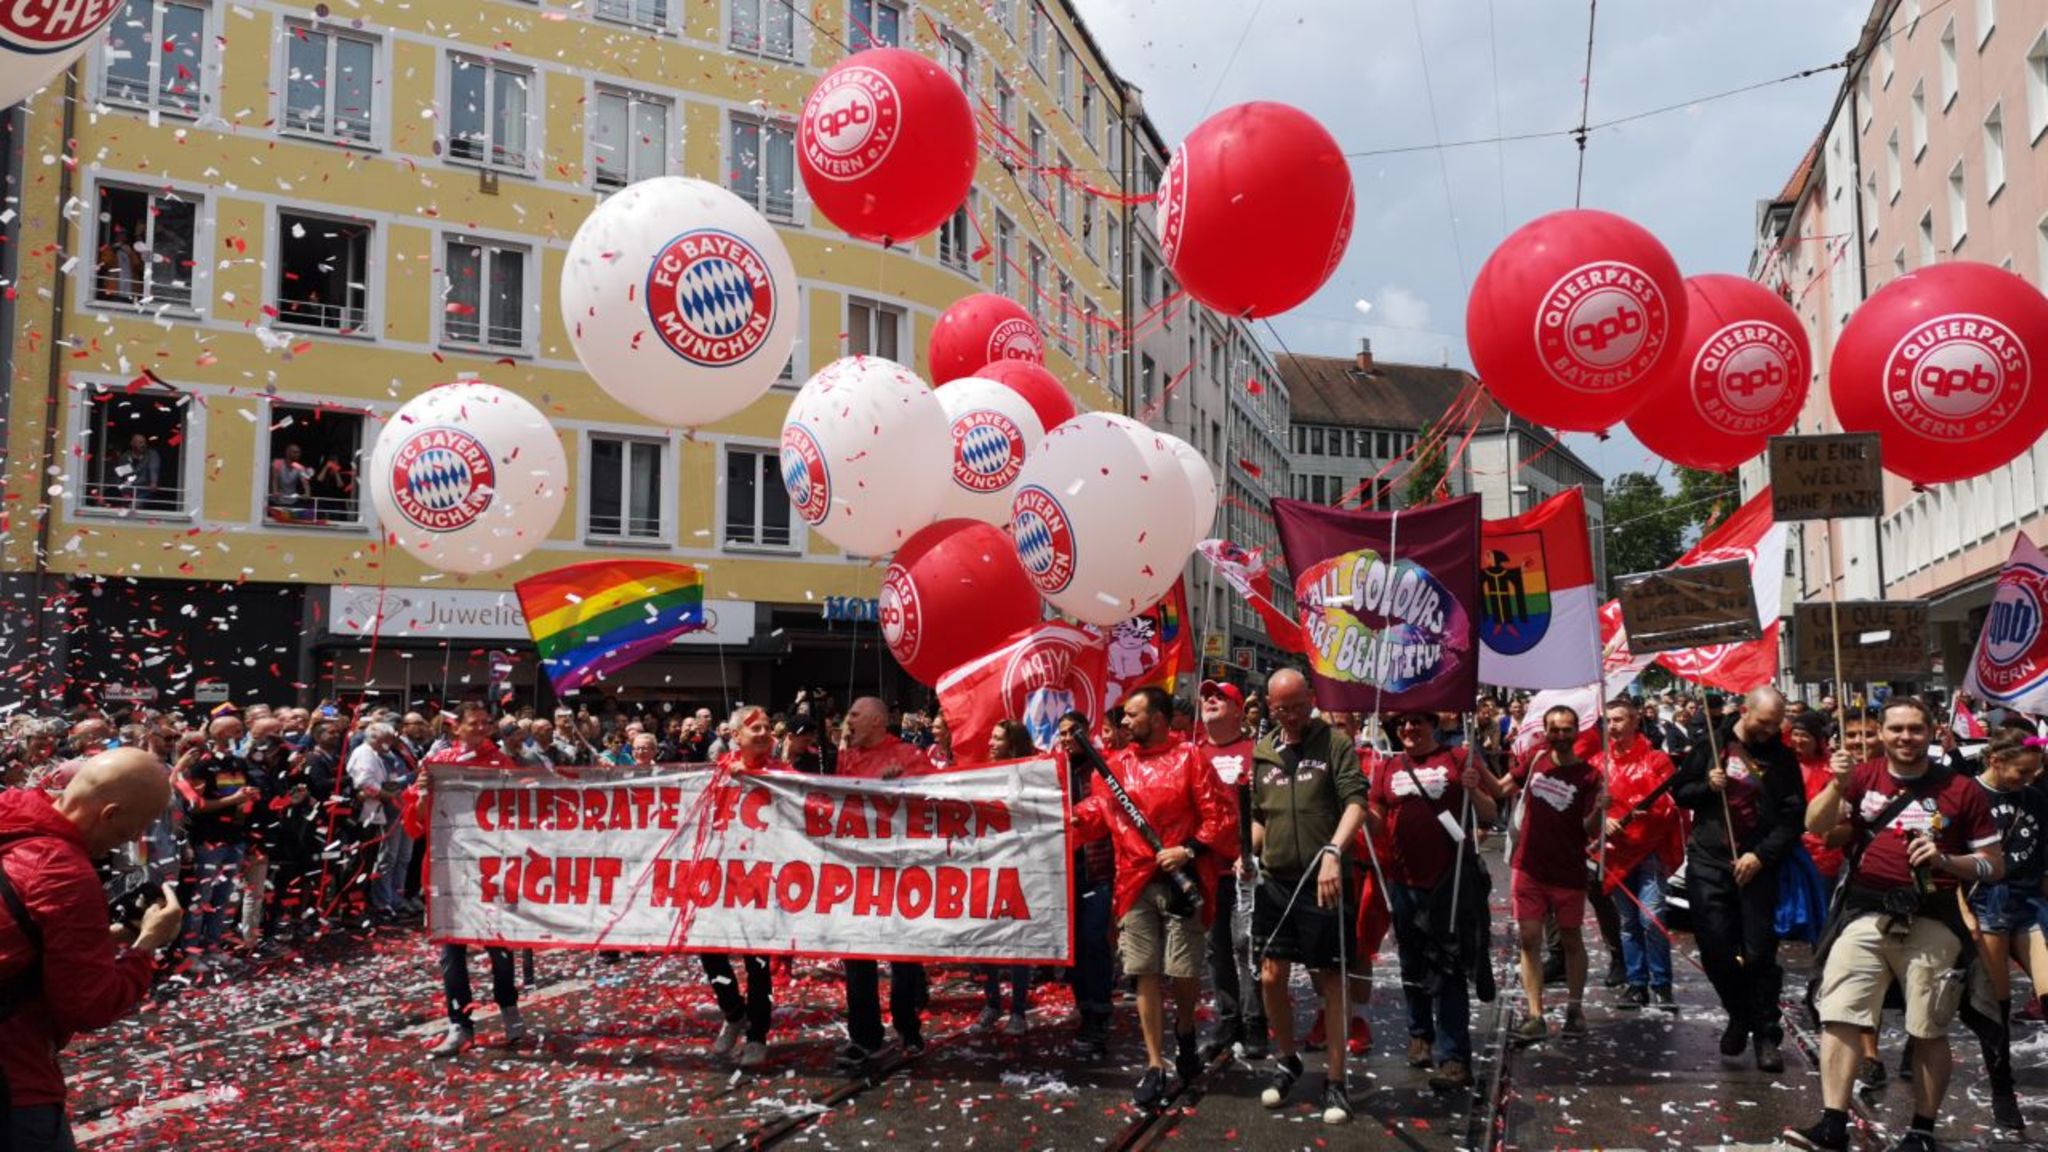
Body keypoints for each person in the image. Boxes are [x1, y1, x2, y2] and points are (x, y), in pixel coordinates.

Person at [1786, 697, 2003, 1152]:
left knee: (1927, 1027)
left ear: (1930, 733)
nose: (1906, 737)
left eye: (1915, 729)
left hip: (1932, 917)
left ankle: (1921, 1130)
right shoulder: (1862, 777)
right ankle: (1831, 1124)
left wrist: (1947, 860)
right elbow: (1817, 827)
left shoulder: (1961, 790)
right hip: (1865, 914)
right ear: (1882, 734)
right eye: (1896, 729)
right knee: (1839, 1014)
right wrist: (1836, 785)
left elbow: (1993, 864)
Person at [0, 748, 184, 1149]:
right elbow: (89, 1005)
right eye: (131, 829)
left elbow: (24, 934)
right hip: (14, 1082)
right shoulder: (63, 872)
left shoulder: (11, 818)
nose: (134, 839)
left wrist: (110, 935)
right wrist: (147, 943)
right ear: (110, 814)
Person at [1072, 687, 1236, 1110]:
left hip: (1182, 880)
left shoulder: (1190, 759)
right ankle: (1153, 1063)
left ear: (1159, 719)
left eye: (1132, 715)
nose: (1124, 723)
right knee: (1143, 970)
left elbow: (1219, 815)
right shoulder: (1114, 766)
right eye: (1123, 716)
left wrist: (1189, 850)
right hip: (1134, 882)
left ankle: (1184, 1029)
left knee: (1182, 970)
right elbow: (1098, 812)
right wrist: (1068, 815)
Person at [1254, 669, 1372, 1122]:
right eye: (1283, 708)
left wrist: (1332, 852)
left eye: (1299, 705)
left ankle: (1337, 1079)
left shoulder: (1334, 745)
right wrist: (1248, 850)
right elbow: (1260, 815)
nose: (1292, 715)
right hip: (1277, 880)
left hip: (1323, 879)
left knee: (1330, 978)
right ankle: (1287, 1059)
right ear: (1270, 706)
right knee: (1270, 976)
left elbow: (1356, 803)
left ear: (1311, 700)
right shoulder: (1264, 752)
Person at [1672, 686, 1803, 1073]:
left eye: (1776, 725)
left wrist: (1760, 855)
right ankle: (1739, 1013)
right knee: (1715, 947)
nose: (1770, 731)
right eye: (1764, 723)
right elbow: (1681, 792)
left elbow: (1794, 815)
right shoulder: (1711, 745)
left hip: (1756, 863)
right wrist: (1705, 787)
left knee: (1760, 952)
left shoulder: (1781, 758)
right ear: (1745, 712)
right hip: (1710, 861)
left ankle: (1765, 1032)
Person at [406, 704, 527, 1058]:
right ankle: (459, 1025)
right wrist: (425, 792)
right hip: (448, 870)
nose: (482, 730)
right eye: (474, 725)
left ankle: (509, 1010)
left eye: (487, 724)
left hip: (491, 870)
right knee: (451, 952)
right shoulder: (438, 763)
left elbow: (519, 811)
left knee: (499, 947)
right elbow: (417, 823)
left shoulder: (502, 762)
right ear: (456, 728)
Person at [833, 697, 934, 1070]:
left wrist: (908, 785)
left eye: (854, 714)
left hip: (899, 875)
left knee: (903, 959)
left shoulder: (908, 755)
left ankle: (908, 1028)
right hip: (855, 876)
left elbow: (936, 800)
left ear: (877, 721)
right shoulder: (845, 760)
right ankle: (864, 1037)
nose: (848, 721)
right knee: (857, 958)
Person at [1958, 728, 2046, 1137]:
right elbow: (1952, 862)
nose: (2030, 778)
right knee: (1997, 1008)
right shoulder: (1966, 796)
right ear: (1995, 761)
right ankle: (2003, 1090)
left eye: (2035, 771)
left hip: (2028, 905)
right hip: (1985, 903)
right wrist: (1965, 916)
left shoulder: (2037, 800)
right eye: (2022, 772)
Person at [1505, 706, 1603, 1044]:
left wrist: (1600, 811)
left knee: (1571, 939)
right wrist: (1475, 774)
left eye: (1566, 729)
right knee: (1530, 937)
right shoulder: (1535, 759)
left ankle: (1574, 1008)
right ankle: (1535, 1014)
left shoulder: (1590, 776)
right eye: (1554, 729)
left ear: (1577, 731)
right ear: (1545, 731)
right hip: (1528, 865)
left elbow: (1588, 830)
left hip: (1568, 870)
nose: (1560, 735)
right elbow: (1504, 786)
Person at [699, 706, 787, 1069]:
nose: (765, 733)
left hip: (765, 882)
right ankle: (734, 1012)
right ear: (735, 736)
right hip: (723, 878)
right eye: (756, 728)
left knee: (757, 962)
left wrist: (756, 779)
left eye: (768, 727)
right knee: (709, 949)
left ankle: (757, 1033)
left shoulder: (783, 773)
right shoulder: (719, 772)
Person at [1195, 679, 1268, 1063]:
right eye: (1206, 696)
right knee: (1216, 949)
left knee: (1247, 947)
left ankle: (1256, 1021)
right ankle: (1228, 1018)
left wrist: (1252, 851)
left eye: (1219, 697)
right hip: (1208, 868)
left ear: (1239, 710)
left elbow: (1269, 809)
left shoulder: (1260, 752)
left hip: (1247, 870)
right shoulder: (1193, 754)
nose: (1209, 700)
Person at [1597, 697, 1682, 1010]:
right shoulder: (1598, 763)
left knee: (1652, 918)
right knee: (1628, 922)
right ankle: (1636, 984)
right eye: (1608, 720)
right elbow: (1589, 809)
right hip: (1616, 856)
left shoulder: (1657, 760)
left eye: (1619, 719)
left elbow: (1671, 806)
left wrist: (1639, 817)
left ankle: (1661, 983)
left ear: (1635, 720)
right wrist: (1603, 822)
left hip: (1650, 852)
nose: (1613, 726)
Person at [1056, 710, 1118, 1059]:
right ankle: (1086, 1009)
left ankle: (1099, 1013)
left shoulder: (1102, 768)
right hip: (1065, 871)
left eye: (1073, 732)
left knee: (1094, 941)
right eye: (1062, 733)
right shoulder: (1054, 771)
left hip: (1097, 869)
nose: (1067, 739)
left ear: (1086, 733)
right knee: (1076, 947)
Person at [174, 715, 257, 965]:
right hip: (208, 841)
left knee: (222, 898)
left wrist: (246, 804)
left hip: (234, 839)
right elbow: (196, 806)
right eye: (237, 730)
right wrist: (234, 801)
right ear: (221, 734)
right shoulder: (201, 765)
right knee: (201, 898)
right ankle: (190, 952)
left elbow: (242, 799)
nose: (242, 733)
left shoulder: (240, 763)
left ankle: (212, 946)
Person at [976, 719, 1038, 1034]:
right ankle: (991, 1004)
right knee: (988, 938)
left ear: (1012, 742)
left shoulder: (1029, 776)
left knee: (1016, 941)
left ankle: (1018, 1010)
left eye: (998, 738)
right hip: (988, 864)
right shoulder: (982, 775)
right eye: (991, 735)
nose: (991, 742)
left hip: (1019, 865)